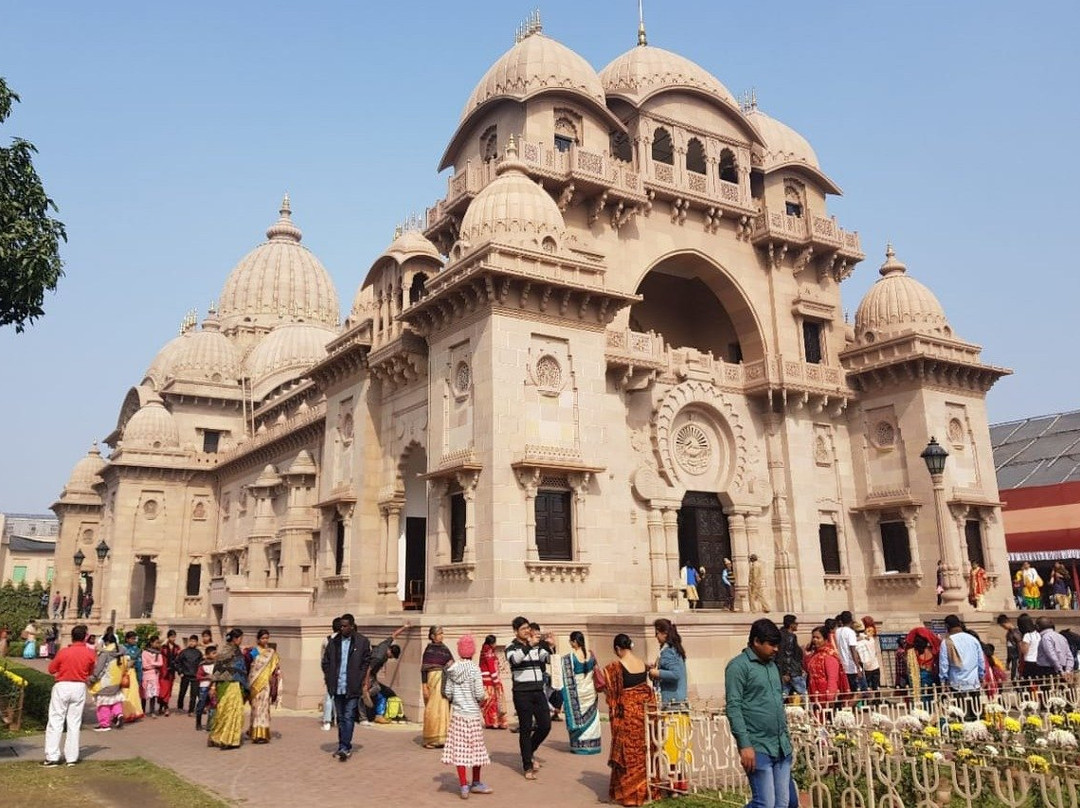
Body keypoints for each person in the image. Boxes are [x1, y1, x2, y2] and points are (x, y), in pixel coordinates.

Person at [725, 618, 798, 808]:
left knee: (784, 803)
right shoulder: (738, 667)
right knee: (765, 803)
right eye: (771, 645)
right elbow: (733, 707)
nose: (776, 649)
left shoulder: (773, 666)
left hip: (781, 746)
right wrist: (744, 745)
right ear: (756, 641)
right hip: (757, 745)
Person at [603, 634, 655, 806]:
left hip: (626, 717)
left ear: (618, 649)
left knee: (627, 754)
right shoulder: (642, 664)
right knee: (642, 751)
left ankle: (628, 794)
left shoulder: (616, 667)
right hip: (642, 715)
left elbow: (611, 694)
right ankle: (644, 789)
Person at [441, 635, 494, 798]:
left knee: (460, 750)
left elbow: (448, 692)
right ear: (472, 651)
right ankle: (476, 782)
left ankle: (463, 785)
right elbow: (479, 693)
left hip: (457, 715)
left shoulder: (453, 670)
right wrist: (482, 697)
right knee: (476, 749)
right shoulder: (474, 670)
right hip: (472, 714)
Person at [43, 624, 96, 767]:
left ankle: (52, 756)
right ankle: (71, 757)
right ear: (85, 637)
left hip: (62, 685)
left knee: (56, 720)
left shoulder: (64, 652)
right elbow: (91, 671)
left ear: (72, 636)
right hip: (79, 686)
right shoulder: (90, 653)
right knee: (74, 722)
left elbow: (51, 669)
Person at [506, 616, 552, 779]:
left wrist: (549, 645)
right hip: (522, 693)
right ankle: (527, 765)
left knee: (545, 725)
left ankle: (529, 750)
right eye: (523, 629)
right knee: (525, 728)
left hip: (538, 690)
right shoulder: (511, 647)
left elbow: (547, 658)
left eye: (527, 628)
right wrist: (529, 646)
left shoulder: (536, 647)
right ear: (516, 631)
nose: (527, 631)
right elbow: (515, 660)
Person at [321, 614, 371, 761]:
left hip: (352, 686)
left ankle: (345, 747)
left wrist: (359, 678)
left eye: (345, 626)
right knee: (341, 717)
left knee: (349, 716)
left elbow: (366, 661)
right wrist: (329, 676)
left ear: (352, 626)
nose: (342, 628)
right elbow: (326, 662)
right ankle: (342, 744)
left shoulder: (361, 642)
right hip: (337, 685)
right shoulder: (334, 642)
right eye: (341, 626)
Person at [559, 630, 601, 755]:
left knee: (578, 717)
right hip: (590, 691)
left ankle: (580, 746)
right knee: (592, 718)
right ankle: (593, 745)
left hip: (578, 693)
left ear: (575, 642)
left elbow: (562, 674)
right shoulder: (591, 655)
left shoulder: (570, 658)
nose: (570, 643)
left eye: (571, 641)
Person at [939, 614, 985, 720]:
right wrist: (981, 675)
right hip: (974, 683)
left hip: (957, 684)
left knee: (962, 715)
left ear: (947, 626)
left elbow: (944, 664)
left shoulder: (946, 642)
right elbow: (981, 661)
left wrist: (943, 680)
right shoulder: (973, 639)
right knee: (976, 714)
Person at [209, 629, 249, 750]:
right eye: (240, 638)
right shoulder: (225, 651)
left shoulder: (238, 652)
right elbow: (217, 669)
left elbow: (242, 667)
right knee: (224, 711)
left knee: (235, 710)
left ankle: (230, 739)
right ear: (236, 639)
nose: (241, 640)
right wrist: (213, 686)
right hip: (225, 685)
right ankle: (221, 737)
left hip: (236, 684)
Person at [363, 621, 409, 724]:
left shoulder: (386, 644)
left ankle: (376, 712)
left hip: (372, 675)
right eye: (391, 656)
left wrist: (404, 627)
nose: (390, 658)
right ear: (390, 652)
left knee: (381, 691)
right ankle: (367, 703)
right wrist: (366, 684)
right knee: (377, 690)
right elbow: (368, 669)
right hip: (368, 675)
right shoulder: (379, 657)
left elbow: (394, 635)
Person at [245, 628, 281, 744]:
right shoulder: (253, 652)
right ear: (258, 639)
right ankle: (254, 731)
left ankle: (261, 734)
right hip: (255, 684)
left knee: (264, 708)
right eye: (263, 638)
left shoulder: (271, 653)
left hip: (265, 684)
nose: (265, 640)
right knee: (256, 708)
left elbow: (275, 668)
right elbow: (248, 666)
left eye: (266, 638)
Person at [421, 625, 454, 749]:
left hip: (444, 683)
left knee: (444, 709)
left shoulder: (445, 649)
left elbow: (452, 663)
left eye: (442, 633)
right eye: (439, 634)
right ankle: (430, 739)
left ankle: (443, 738)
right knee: (432, 710)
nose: (441, 636)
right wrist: (424, 686)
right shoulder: (428, 651)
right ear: (432, 636)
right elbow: (423, 669)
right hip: (432, 682)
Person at [89, 629, 128, 732]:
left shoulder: (105, 654)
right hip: (117, 682)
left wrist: (92, 678)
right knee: (115, 701)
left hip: (105, 683)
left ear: (106, 642)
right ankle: (119, 714)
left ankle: (104, 724)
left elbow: (99, 669)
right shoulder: (122, 652)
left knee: (104, 704)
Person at [803, 626, 842, 716]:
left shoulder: (829, 655)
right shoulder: (815, 654)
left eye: (818, 637)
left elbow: (832, 678)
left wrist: (830, 697)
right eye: (813, 637)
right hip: (815, 694)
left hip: (825, 695)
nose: (815, 640)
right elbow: (807, 669)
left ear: (825, 639)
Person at [479, 635, 508, 729]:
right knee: (492, 703)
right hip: (490, 681)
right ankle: (494, 722)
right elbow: (492, 668)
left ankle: (491, 722)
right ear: (492, 643)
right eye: (495, 643)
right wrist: (496, 681)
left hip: (486, 680)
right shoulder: (489, 652)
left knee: (489, 703)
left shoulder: (484, 651)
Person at [776, 615, 805, 702]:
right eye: (796, 623)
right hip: (792, 672)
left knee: (783, 695)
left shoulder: (780, 634)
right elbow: (787, 655)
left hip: (785, 670)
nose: (797, 625)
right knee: (804, 694)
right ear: (791, 624)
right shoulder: (790, 637)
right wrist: (787, 673)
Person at [320, 617, 342, 730]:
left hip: (330, 672)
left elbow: (323, 659)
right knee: (340, 696)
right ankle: (338, 719)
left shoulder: (326, 640)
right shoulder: (345, 640)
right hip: (342, 672)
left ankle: (327, 721)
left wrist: (325, 673)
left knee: (329, 696)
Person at [118, 631, 145, 722]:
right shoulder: (122, 648)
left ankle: (134, 713)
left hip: (133, 672)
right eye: (132, 638)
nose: (134, 640)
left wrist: (140, 676)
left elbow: (139, 663)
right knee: (125, 694)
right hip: (124, 673)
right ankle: (123, 713)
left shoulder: (137, 649)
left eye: (135, 638)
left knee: (133, 693)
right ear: (127, 639)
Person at [833, 611, 861, 698]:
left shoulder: (837, 631)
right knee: (855, 693)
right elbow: (853, 651)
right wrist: (858, 667)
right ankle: (849, 708)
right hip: (850, 666)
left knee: (845, 691)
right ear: (851, 619)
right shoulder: (850, 632)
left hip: (841, 666)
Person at [174, 635, 203, 714]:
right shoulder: (183, 652)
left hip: (195, 676)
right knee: (182, 692)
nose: (192, 643)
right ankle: (180, 707)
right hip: (185, 675)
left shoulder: (199, 653)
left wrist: (199, 675)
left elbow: (201, 665)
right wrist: (180, 672)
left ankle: (191, 710)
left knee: (193, 694)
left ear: (197, 642)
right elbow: (177, 663)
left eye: (194, 641)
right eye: (191, 641)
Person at [855, 617, 883, 698]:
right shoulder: (871, 639)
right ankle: (877, 701)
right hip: (875, 665)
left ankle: (867, 701)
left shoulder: (861, 640)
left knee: (867, 686)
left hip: (866, 667)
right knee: (876, 686)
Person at [141, 634, 166, 717]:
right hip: (146, 674)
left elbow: (161, 663)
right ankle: (143, 711)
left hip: (154, 675)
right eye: (155, 643)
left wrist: (151, 664)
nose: (157, 644)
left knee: (153, 694)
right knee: (144, 694)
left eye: (158, 643)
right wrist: (154, 665)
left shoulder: (158, 653)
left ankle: (152, 711)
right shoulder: (145, 652)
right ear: (151, 643)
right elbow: (144, 665)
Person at [195, 644, 217, 731]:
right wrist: (207, 677)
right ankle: (198, 723)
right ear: (207, 655)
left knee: (213, 705)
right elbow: (198, 676)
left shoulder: (216, 664)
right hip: (204, 686)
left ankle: (210, 724)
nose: (215, 655)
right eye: (213, 653)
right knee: (201, 704)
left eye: (216, 653)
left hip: (213, 687)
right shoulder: (202, 665)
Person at [159, 629, 181, 712]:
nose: (173, 638)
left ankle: (165, 706)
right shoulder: (163, 647)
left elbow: (179, 657)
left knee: (169, 689)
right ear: (168, 637)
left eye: (174, 637)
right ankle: (163, 705)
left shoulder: (177, 647)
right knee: (163, 689)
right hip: (163, 670)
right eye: (172, 637)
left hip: (171, 671)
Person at [996, 613, 1023, 680]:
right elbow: (1009, 648)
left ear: (1006, 622)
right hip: (1013, 659)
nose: (1003, 627)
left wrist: (1020, 659)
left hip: (1017, 658)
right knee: (1013, 678)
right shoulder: (1008, 634)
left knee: (1015, 678)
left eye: (1003, 625)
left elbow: (1019, 646)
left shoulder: (1016, 632)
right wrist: (1008, 662)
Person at [1018, 613, 1044, 679]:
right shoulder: (1038, 634)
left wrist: (1020, 643)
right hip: (1038, 661)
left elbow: (1024, 651)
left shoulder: (1027, 636)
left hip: (1029, 662)